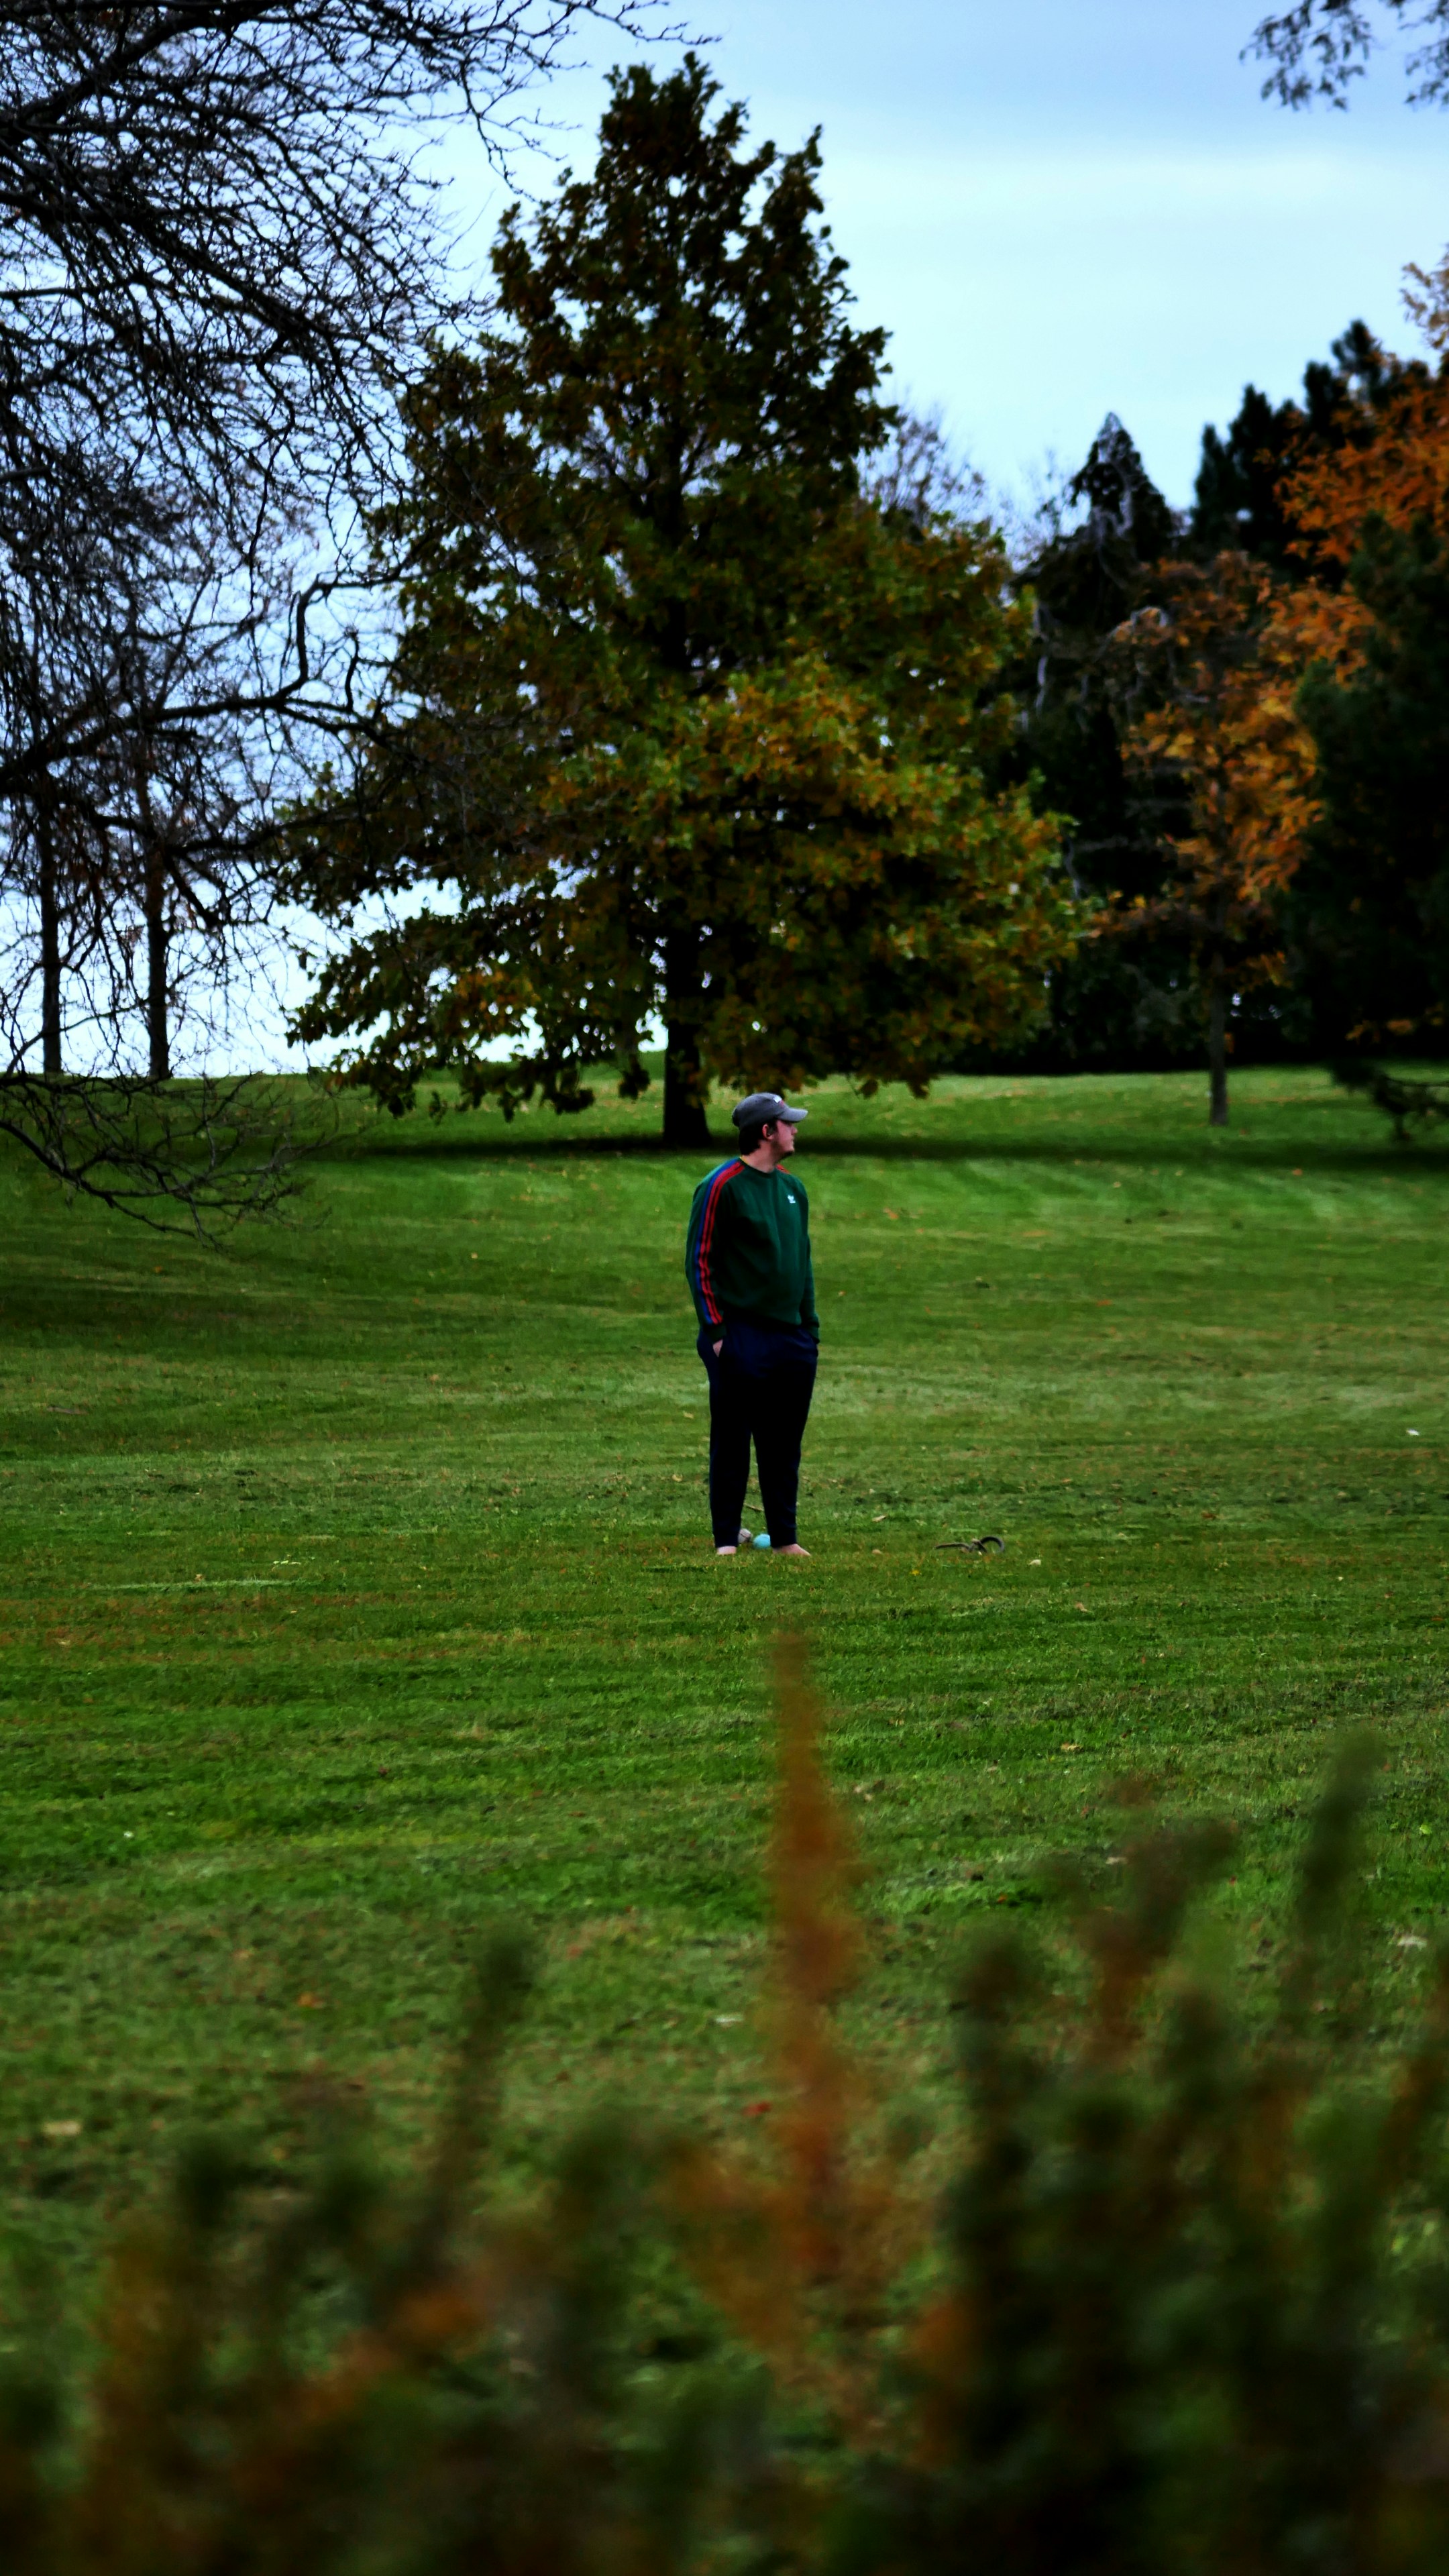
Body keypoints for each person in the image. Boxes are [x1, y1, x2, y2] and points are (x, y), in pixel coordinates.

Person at [684, 1091, 818, 1558]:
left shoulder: (793, 1190)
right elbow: (699, 1261)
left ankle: (785, 1539)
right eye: (787, 1123)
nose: (795, 1129)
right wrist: (718, 1335)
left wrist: (809, 1331)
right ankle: (726, 1540)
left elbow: (803, 1263)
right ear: (767, 1131)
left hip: (791, 1339)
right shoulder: (721, 1185)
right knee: (733, 1440)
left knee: (783, 1444)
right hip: (739, 1337)